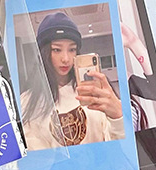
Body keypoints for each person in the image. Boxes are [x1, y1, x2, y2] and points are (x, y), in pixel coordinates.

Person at [20, 11, 125, 150]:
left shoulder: (95, 91)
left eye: (72, 49)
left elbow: (118, 146)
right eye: (56, 50)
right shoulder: (27, 101)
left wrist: (118, 116)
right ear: (43, 52)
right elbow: (36, 155)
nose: (66, 59)